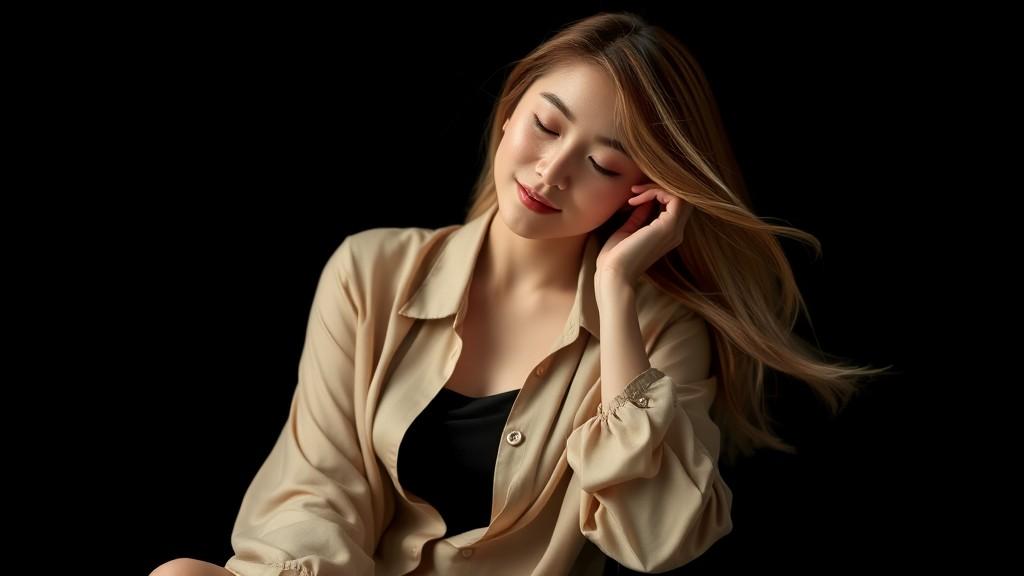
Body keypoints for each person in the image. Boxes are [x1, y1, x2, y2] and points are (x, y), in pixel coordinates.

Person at [151, 11, 888, 576]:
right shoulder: (369, 270)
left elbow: (660, 539)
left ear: (643, 193)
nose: (551, 172)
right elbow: (318, 490)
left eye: (601, 162)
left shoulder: (659, 332)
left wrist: (616, 287)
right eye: (545, 125)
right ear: (510, 113)